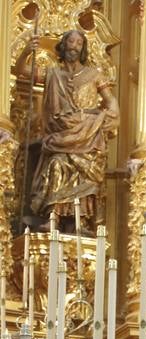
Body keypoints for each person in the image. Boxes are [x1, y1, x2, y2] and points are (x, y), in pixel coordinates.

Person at [15, 29, 119, 231]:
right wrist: (26, 51)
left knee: (86, 174)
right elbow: (22, 71)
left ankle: (81, 221)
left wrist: (114, 110)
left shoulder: (94, 75)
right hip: (60, 135)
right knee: (56, 164)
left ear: (83, 49)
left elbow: (109, 99)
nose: (74, 46)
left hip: (87, 133)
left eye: (79, 43)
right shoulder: (53, 73)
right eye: (71, 41)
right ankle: (53, 217)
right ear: (63, 45)